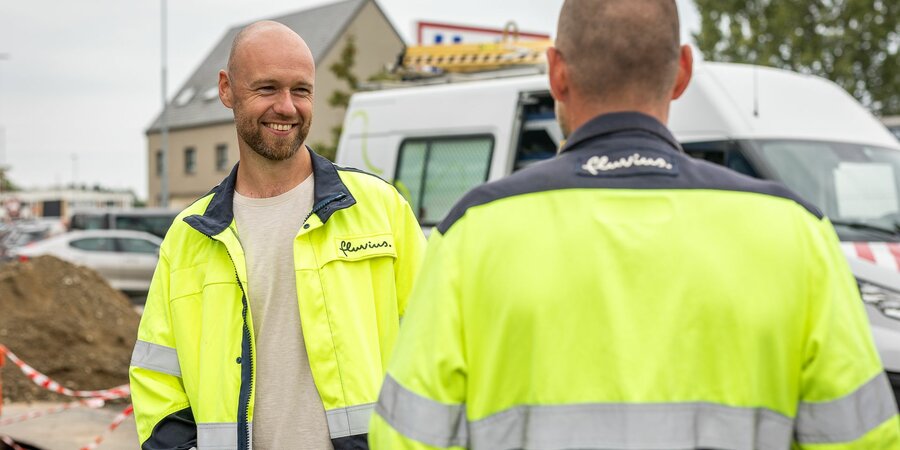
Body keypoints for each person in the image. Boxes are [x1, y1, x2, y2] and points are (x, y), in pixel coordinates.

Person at [368, 1, 900, 448]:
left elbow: (405, 437)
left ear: (556, 72)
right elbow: (864, 438)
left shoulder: (472, 233)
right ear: (683, 73)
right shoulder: (795, 232)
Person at [130, 21, 425, 450]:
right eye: (267, 88)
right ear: (227, 90)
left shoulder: (380, 209)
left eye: (301, 90)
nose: (286, 107)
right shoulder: (189, 236)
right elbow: (157, 378)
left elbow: (437, 348)